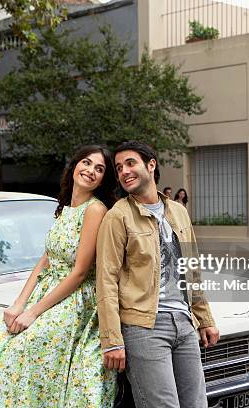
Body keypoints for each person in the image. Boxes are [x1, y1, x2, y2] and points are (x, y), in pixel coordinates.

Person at [0, 145, 118, 407]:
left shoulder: (95, 210)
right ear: (74, 167)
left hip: (74, 298)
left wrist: (33, 312)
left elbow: (80, 271)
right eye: (86, 163)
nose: (90, 171)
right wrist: (18, 304)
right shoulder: (64, 207)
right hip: (46, 290)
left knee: (27, 347)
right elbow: (45, 260)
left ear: (103, 179)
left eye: (99, 169)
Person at [96, 141, 219, 408]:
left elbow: (192, 269)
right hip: (144, 327)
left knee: (197, 404)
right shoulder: (118, 217)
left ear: (151, 165)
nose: (124, 172)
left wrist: (204, 318)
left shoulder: (179, 211)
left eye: (130, 163)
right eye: (118, 168)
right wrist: (112, 341)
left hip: (184, 324)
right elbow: (106, 281)